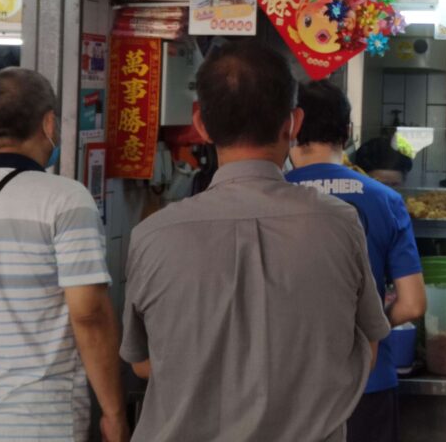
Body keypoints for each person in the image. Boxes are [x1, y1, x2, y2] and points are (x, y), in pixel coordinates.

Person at [121, 42, 390, 442]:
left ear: (201, 122)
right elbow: (367, 348)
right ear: (293, 123)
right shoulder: (339, 223)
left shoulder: (152, 236)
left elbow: (142, 364)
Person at [0, 68, 128, 442]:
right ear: (48, 123)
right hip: (39, 421)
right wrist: (114, 412)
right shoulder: (65, 199)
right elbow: (88, 313)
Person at [288, 81, 426, 442]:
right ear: (348, 134)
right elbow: (412, 304)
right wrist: (367, 326)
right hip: (367, 380)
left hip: (287, 385)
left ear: (290, 126)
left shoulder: (270, 195)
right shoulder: (385, 200)